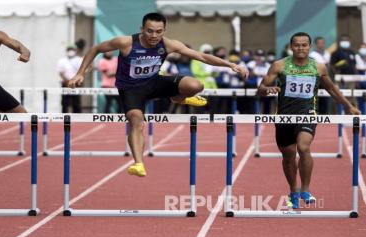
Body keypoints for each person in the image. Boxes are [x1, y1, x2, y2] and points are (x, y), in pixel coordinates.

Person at [68, 12, 249, 177]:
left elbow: (201, 57)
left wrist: (230, 65)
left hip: (154, 82)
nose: (154, 36)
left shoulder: (168, 44)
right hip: (131, 89)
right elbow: (95, 49)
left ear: (164, 30)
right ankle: (138, 163)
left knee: (196, 84)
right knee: (136, 121)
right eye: (150, 31)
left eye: (158, 32)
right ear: (142, 29)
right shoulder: (125, 43)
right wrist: (80, 73)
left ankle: (178, 97)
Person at [257, 32, 361, 209]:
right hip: (284, 116)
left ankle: (305, 189)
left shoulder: (318, 67)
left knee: (303, 147)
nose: (300, 48)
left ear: (309, 47)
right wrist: (266, 90)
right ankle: (293, 190)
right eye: (297, 45)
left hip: (308, 113)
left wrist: (348, 106)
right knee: (288, 156)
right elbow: (261, 87)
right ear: (291, 47)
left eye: (304, 45)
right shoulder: (279, 65)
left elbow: (332, 89)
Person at [58, 45, 83, 113]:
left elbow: (81, 71)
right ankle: (63, 118)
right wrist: (68, 81)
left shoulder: (79, 59)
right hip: (65, 84)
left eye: (72, 49)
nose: (70, 51)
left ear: (75, 50)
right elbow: (61, 73)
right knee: (65, 103)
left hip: (76, 84)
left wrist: (75, 81)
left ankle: (77, 118)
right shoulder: (62, 60)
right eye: (69, 49)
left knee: (76, 103)